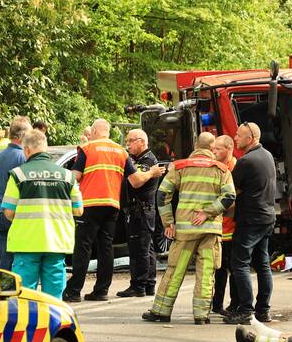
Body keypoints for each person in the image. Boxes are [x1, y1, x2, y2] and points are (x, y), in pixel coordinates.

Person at [142, 132, 235, 324]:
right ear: (211, 148)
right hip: (210, 231)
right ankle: (201, 316)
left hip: (185, 231)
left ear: (195, 146)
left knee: (175, 270)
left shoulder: (180, 166)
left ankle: (161, 311)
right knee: (206, 272)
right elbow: (229, 197)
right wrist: (208, 212)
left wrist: (168, 222)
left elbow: (162, 194)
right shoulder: (222, 169)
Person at [1, 129, 83, 298]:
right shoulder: (67, 176)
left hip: (26, 243)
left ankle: (28, 324)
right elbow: (78, 210)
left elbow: (9, 212)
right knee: (54, 297)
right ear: (45, 148)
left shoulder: (18, 175)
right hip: (56, 242)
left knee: (25, 295)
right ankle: (53, 324)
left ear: (27, 150)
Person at [64, 119, 137, 303]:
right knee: (106, 246)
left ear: (95, 130)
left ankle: (74, 291)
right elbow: (135, 179)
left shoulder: (88, 148)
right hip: (112, 204)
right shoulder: (121, 151)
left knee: (83, 246)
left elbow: (76, 176)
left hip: (89, 203)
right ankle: (101, 290)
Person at [224, 122, 277, 325]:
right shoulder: (267, 155)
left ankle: (246, 310)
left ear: (251, 138)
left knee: (240, 263)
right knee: (263, 264)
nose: (235, 138)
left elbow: (231, 193)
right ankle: (263, 310)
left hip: (250, 220)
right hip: (267, 218)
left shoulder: (246, 162)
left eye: (239, 135)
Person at [116, 129, 167, 298]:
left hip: (141, 210)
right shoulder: (139, 159)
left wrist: (150, 172)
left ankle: (138, 285)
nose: (128, 144)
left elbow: (136, 181)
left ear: (142, 142)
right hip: (140, 209)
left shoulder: (147, 160)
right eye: (127, 140)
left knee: (140, 249)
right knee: (145, 248)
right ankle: (148, 284)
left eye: (131, 140)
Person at [0, 117, 32, 271]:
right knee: (20, 262)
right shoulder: (23, 157)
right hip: (16, 213)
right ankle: (20, 293)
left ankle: (5, 293)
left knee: (5, 261)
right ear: (22, 136)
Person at [210, 134, 239, 317]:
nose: (214, 152)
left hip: (232, 228)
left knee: (234, 270)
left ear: (229, 149)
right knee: (219, 270)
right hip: (219, 227)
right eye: (213, 149)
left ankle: (234, 304)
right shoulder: (217, 168)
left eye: (218, 149)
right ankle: (217, 304)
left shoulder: (234, 168)